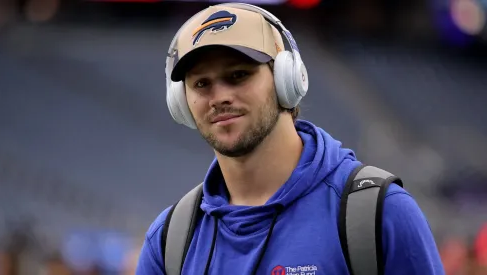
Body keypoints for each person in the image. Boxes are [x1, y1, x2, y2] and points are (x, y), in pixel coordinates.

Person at [136, 3, 445, 275]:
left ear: (288, 78)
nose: (219, 97)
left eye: (238, 75)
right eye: (202, 84)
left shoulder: (380, 213)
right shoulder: (169, 241)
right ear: (181, 103)